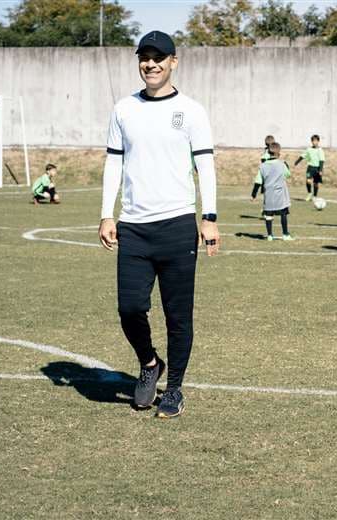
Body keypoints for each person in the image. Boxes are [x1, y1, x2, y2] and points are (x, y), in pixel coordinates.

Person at [98, 30, 220, 419]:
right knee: (129, 308)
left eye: (158, 58)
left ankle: (175, 389)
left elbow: (205, 166)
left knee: (177, 315)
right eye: (144, 58)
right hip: (134, 227)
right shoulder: (123, 109)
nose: (150, 64)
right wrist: (106, 213)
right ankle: (150, 363)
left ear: (173, 62)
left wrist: (210, 217)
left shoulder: (192, 111)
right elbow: (114, 162)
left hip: (178, 226)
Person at [252, 142, 294, 241]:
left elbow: (258, 181)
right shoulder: (281, 164)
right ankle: (285, 234)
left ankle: (270, 235)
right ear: (278, 153)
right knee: (283, 213)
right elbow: (288, 174)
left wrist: (253, 194)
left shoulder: (263, 166)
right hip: (280, 195)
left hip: (268, 195)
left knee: (268, 215)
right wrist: (286, 165)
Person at [294, 134, 325, 201]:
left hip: (317, 168)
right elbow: (303, 156)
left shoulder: (320, 150)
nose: (314, 142)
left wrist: (320, 170)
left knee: (316, 183)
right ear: (311, 141)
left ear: (318, 141)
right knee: (308, 181)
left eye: (316, 141)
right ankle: (309, 193)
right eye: (313, 141)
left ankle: (315, 196)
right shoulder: (309, 149)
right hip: (310, 168)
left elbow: (322, 160)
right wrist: (297, 162)